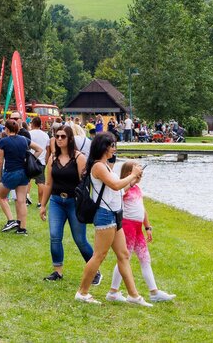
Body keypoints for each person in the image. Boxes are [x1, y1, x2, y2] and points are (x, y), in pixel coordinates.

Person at [76, 133, 150, 306]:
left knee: (123, 255)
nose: (115, 149)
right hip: (105, 215)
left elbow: (118, 190)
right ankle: (82, 292)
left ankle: (133, 295)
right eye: (113, 145)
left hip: (115, 215)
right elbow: (115, 185)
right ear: (104, 147)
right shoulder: (98, 167)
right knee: (99, 255)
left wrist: (133, 181)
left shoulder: (106, 166)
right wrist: (132, 174)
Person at [106, 161, 175, 302]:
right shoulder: (123, 187)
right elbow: (119, 194)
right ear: (128, 173)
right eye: (136, 171)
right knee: (124, 258)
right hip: (128, 227)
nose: (139, 175)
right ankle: (113, 292)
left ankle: (154, 292)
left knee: (145, 258)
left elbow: (142, 209)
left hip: (138, 229)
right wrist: (131, 181)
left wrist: (147, 227)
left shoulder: (137, 188)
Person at [39, 124, 97, 283]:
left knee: (80, 239)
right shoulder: (52, 158)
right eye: (57, 136)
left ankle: (94, 270)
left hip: (74, 203)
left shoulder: (79, 158)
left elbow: (84, 184)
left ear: (70, 138)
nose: (59, 139)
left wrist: (84, 204)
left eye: (63, 136)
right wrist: (43, 205)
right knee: (55, 236)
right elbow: (48, 184)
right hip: (56, 201)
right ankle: (57, 271)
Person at [0, 119, 44, 235]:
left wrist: (0, 176)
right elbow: (39, 149)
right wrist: (31, 159)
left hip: (10, 172)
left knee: (1, 197)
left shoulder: (3, 142)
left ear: (7, 129)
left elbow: (0, 162)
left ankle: (11, 220)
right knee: (21, 200)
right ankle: (22, 228)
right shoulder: (24, 139)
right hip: (23, 173)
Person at [27, 117, 50, 208]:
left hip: (30, 159)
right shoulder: (45, 135)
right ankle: (40, 202)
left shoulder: (29, 133)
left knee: (27, 180)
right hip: (41, 160)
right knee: (41, 182)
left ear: (32, 124)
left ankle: (27, 198)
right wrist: (46, 160)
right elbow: (48, 149)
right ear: (40, 124)